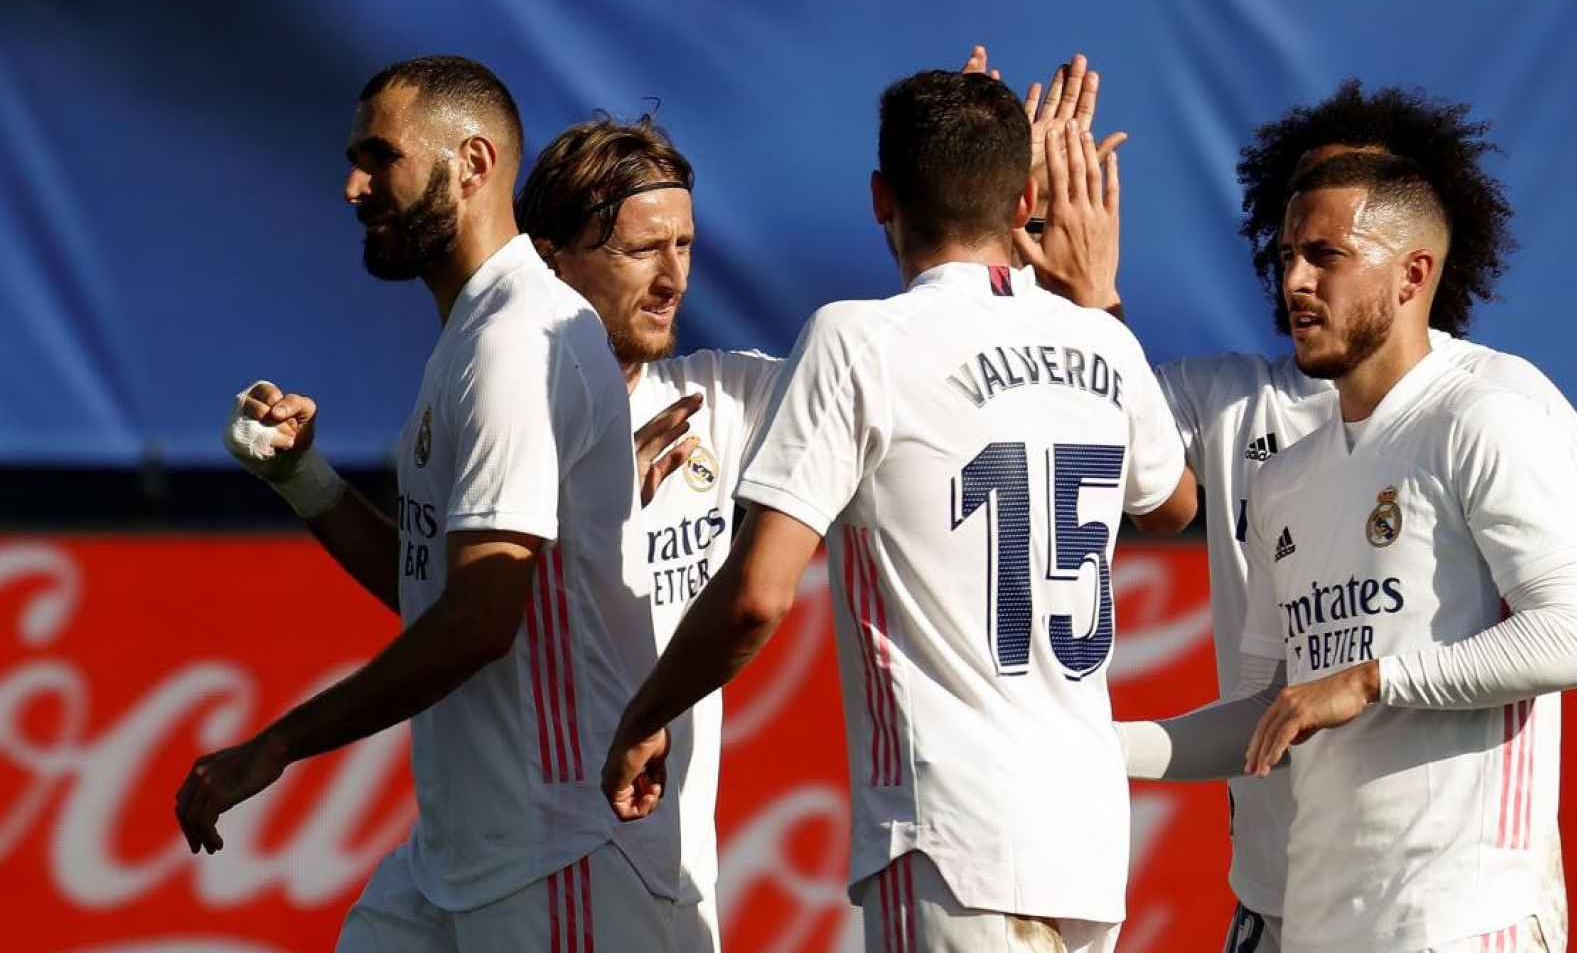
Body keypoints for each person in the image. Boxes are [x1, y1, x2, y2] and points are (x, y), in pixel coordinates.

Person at [603, 68, 1197, 952]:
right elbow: (1173, 504)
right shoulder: (1103, 339)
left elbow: (759, 595)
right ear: (1027, 197)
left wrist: (646, 713)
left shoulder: (859, 340)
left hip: (954, 833)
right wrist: (1093, 299)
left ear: (881, 196)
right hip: (1089, 840)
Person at [1142, 81, 1577, 953]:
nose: (1294, 281)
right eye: (1285, 254)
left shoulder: (1489, 409)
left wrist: (1375, 675)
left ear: (1415, 269)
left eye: (1325, 254)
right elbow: (1272, 707)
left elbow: (1574, 638)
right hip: (1305, 916)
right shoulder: (1283, 474)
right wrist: (1097, 750)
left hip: (1462, 920)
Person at [174, 56, 673, 950]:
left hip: (552, 847)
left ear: (472, 164)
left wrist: (280, 743)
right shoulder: (475, 336)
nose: (352, 186)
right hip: (464, 853)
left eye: (380, 157)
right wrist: (304, 480)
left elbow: (481, 620)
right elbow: (434, 590)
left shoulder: (516, 339)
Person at [514, 114, 783, 953]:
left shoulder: (720, 396)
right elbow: (441, 606)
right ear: (551, 260)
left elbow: (912, 390)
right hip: (554, 850)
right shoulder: (495, 407)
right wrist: (592, 503)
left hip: (657, 860)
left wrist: (986, 207)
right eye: (642, 251)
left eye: (687, 246)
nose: (674, 279)